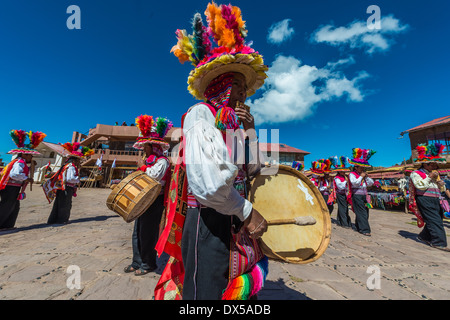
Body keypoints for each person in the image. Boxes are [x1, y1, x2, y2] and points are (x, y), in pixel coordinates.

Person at [155, 2, 269, 300]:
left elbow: (255, 170)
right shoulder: (201, 115)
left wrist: (251, 131)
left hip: (234, 216)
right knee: (208, 290)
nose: (244, 96)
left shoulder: (236, 127)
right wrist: (247, 211)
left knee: (239, 289)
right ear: (221, 88)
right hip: (210, 219)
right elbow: (210, 185)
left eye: (245, 91)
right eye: (238, 89)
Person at [123, 115, 172, 276]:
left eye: (146, 146)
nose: (144, 149)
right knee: (137, 231)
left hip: (155, 200)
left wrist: (142, 168)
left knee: (148, 232)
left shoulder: (162, 161)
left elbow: (153, 177)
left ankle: (148, 263)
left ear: (153, 146)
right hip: (144, 199)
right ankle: (136, 261)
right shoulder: (150, 161)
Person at [0, 130, 46, 230]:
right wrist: (27, 179)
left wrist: (30, 168)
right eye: (30, 155)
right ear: (24, 155)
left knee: (14, 207)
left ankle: (8, 225)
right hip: (10, 188)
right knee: (7, 206)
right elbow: (15, 174)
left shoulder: (21, 163)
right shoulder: (20, 162)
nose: (32, 157)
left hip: (14, 188)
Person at [409, 143, 449, 252]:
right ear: (426, 164)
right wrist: (429, 178)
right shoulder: (416, 173)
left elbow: (441, 190)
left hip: (435, 199)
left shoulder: (435, 175)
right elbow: (420, 186)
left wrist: (441, 184)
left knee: (437, 219)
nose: (435, 167)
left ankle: (424, 236)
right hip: (424, 199)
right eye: (433, 165)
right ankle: (438, 243)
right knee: (434, 220)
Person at [46, 142, 93, 225]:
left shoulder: (67, 165)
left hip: (63, 187)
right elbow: (70, 178)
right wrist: (78, 180)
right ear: (75, 160)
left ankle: (54, 219)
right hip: (66, 188)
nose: (79, 162)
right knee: (65, 204)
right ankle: (62, 220)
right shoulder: (71, 167)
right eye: (78, 160)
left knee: (59, 204)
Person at [348, 148, 376, 236]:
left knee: (365, 212)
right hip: (357, 195)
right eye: (361, 167)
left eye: (363, 167)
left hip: (364, 195)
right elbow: (355, 183)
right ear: (356, 167)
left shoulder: (363, 175)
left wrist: (366, 177)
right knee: (361, 212)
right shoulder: (352, 174)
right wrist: (360, 177)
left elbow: (370, 183)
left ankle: (358, 225)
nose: (363, 169)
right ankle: (365, 229)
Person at [330, 156, 352, 228]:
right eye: (342, 171)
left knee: (343, 208)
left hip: (344, 194)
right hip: (340, 194)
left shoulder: (344, 177)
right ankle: (344, 223)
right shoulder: (337, 178)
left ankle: (340, 221)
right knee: (343, 208)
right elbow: (340, 186)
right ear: (339, 171)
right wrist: (346, 182)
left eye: (344, 171)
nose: (343, 172)